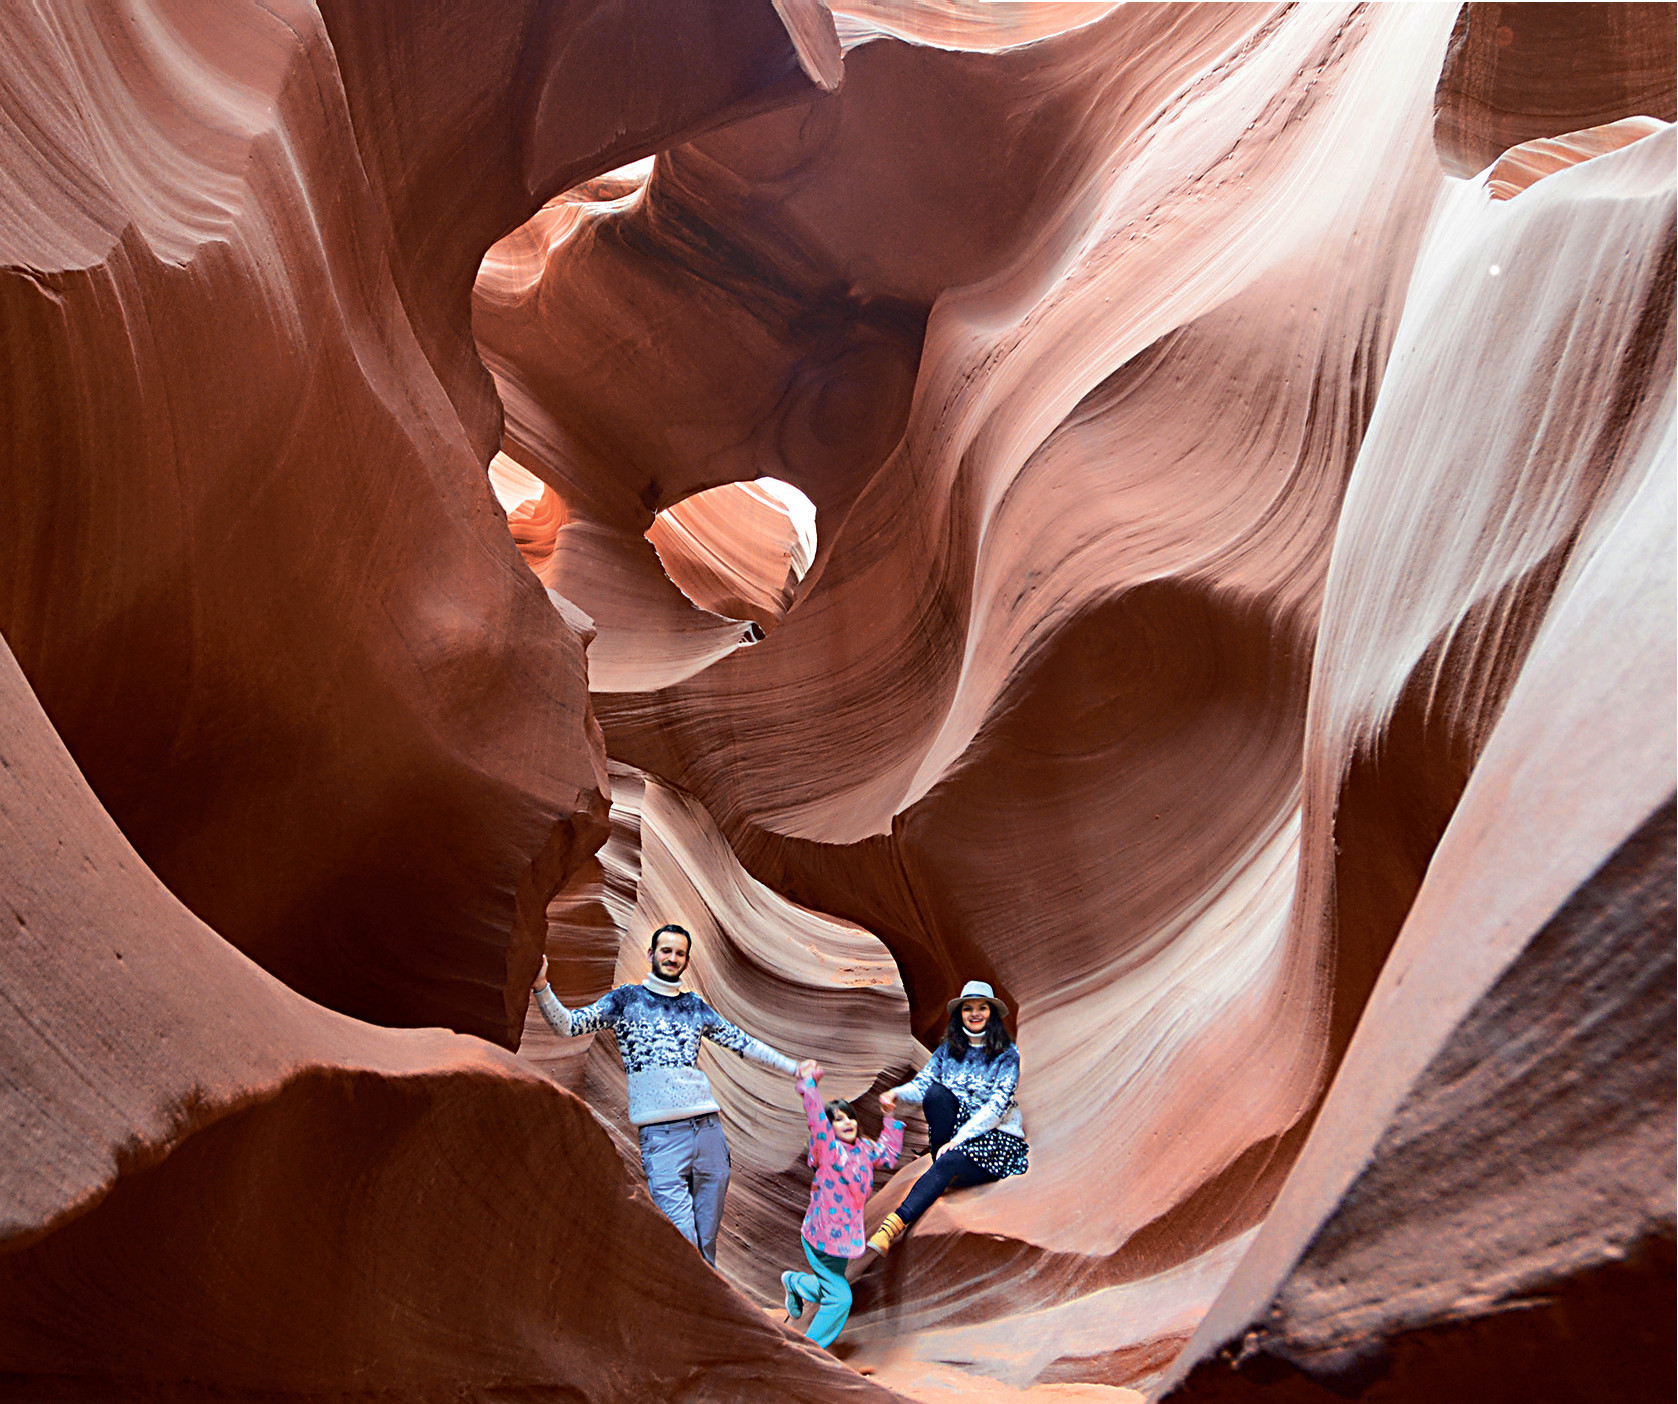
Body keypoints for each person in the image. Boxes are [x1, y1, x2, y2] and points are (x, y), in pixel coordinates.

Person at [530, 923, 799, 1266]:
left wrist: (794, 1068)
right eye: (666, 951)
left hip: (708, 1132)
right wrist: (541, 987)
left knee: (707, 1242)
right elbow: (569, 1025)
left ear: (686, 960)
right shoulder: (625, 1000)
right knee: (683, 1243)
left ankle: (707, 1300)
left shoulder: (694, 1006)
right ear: (651, 954)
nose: (672, 958)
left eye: (680, 954)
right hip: (662, 1137)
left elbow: (741, 1042)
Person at [867, 979, 1028, 1253]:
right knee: (936, 1094)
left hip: (994, 1135)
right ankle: (944, 1163)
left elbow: (997, 1106)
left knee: (950, 1159)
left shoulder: (1007, 1054)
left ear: (991, 1013)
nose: (975, 1014)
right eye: (968, 1008)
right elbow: (924, 1084)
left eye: (982, 1008)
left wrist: (959, 1140)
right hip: (957, 1130)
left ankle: (890, 1228)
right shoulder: (948, 1050)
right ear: (960, 1014)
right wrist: (896, 1094)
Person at [780, 1059, 903, 1349]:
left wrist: (889, 1116)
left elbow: (888, 1155)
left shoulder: (864, 1149)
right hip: (821, 1236)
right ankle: (809, 1350)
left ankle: (794, 1283)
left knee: (830, 1283)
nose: (847, 1122)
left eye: (850, 1117)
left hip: (845, 1238)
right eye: (838, 1119)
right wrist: (809, 1086)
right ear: (830, 1127)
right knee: (840, 1297)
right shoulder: (828, 1148)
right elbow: (816, 1120)